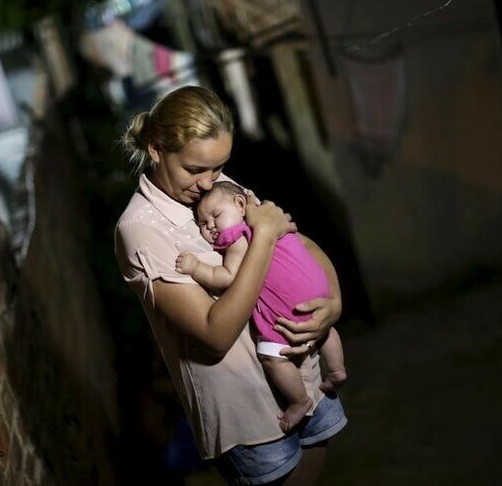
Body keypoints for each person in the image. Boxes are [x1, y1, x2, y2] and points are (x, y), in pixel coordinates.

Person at [114, 85, 347, 485]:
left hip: (303, 374)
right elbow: (215, 332)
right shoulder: (139, 230)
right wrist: (264, 237)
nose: (208, 183)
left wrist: (334, 301)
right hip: (248, 413)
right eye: (195, 169)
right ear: (155, 149)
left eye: (218, 168)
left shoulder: (219, 185)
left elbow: (295, 242)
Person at [175, 181, 347, 433]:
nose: (210, 226)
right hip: (316, 285)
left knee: (271, 356)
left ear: (240, 204)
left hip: (287, 302)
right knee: (325, 330)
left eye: (215, 216)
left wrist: (196, 268)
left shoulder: (236, 236)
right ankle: (337, 368)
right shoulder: (266, 215)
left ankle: (299, 400)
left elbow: (229, 275)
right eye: (202, 223)